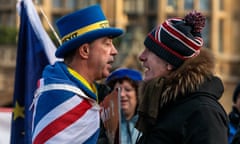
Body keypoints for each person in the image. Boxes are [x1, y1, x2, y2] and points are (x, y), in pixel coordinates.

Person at [31, 4, 123, 144]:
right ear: (85, 50)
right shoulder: (60, 98)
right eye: (107, 43)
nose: (114, 51)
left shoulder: (93, 94)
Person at [135, 10, 229, 144]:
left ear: (169, 62)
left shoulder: (203, 112)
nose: (141, 57)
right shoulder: (163, 104)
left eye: (150, 51)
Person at [105, 68, 142, 144]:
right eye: (117, 90)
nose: (121, 94)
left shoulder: (147, 126)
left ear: (138, 94)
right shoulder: (104, 126)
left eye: (128, 90)